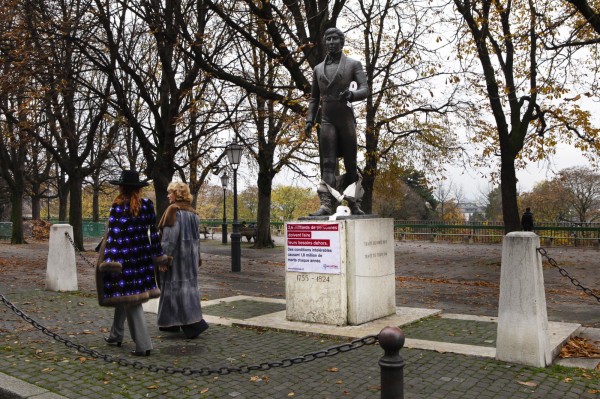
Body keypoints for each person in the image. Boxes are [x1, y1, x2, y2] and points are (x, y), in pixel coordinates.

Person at [96, 170, 167, 356]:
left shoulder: (118, 207)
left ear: (122, 187)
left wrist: (109, 261)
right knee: (126, 295)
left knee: (132, 300)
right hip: (142, 259)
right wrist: (158, 255)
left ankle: (144, 345)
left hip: (123, 259)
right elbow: (154, 234)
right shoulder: (147, 205)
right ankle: (116, 335)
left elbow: (114, 236)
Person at [305, 27, 369, 216]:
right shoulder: (317, 69)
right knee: (328, 163)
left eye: (335, 39)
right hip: (327, 119)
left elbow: (365, 89)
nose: (331, 42)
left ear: (342, 42)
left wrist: (352, 94)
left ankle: (353, 202)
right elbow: (314, 99)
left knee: (350, 163)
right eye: (328, 39)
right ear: (325, 42)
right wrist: (309, 120)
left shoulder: (353, 64)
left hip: (346, 118)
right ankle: (326, 203)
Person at [156, 181, 208, 339]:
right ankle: (170, 324)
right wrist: (197, 257)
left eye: (170, 192)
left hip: (176, 261)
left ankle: (194, 325)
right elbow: (196, 241)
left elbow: (169, 239)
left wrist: (164, 259)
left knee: (176, 291)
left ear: (177, 194)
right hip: (189, 260)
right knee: (186, 291)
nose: (168, 195)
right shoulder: (193, 213)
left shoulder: (174, 210)